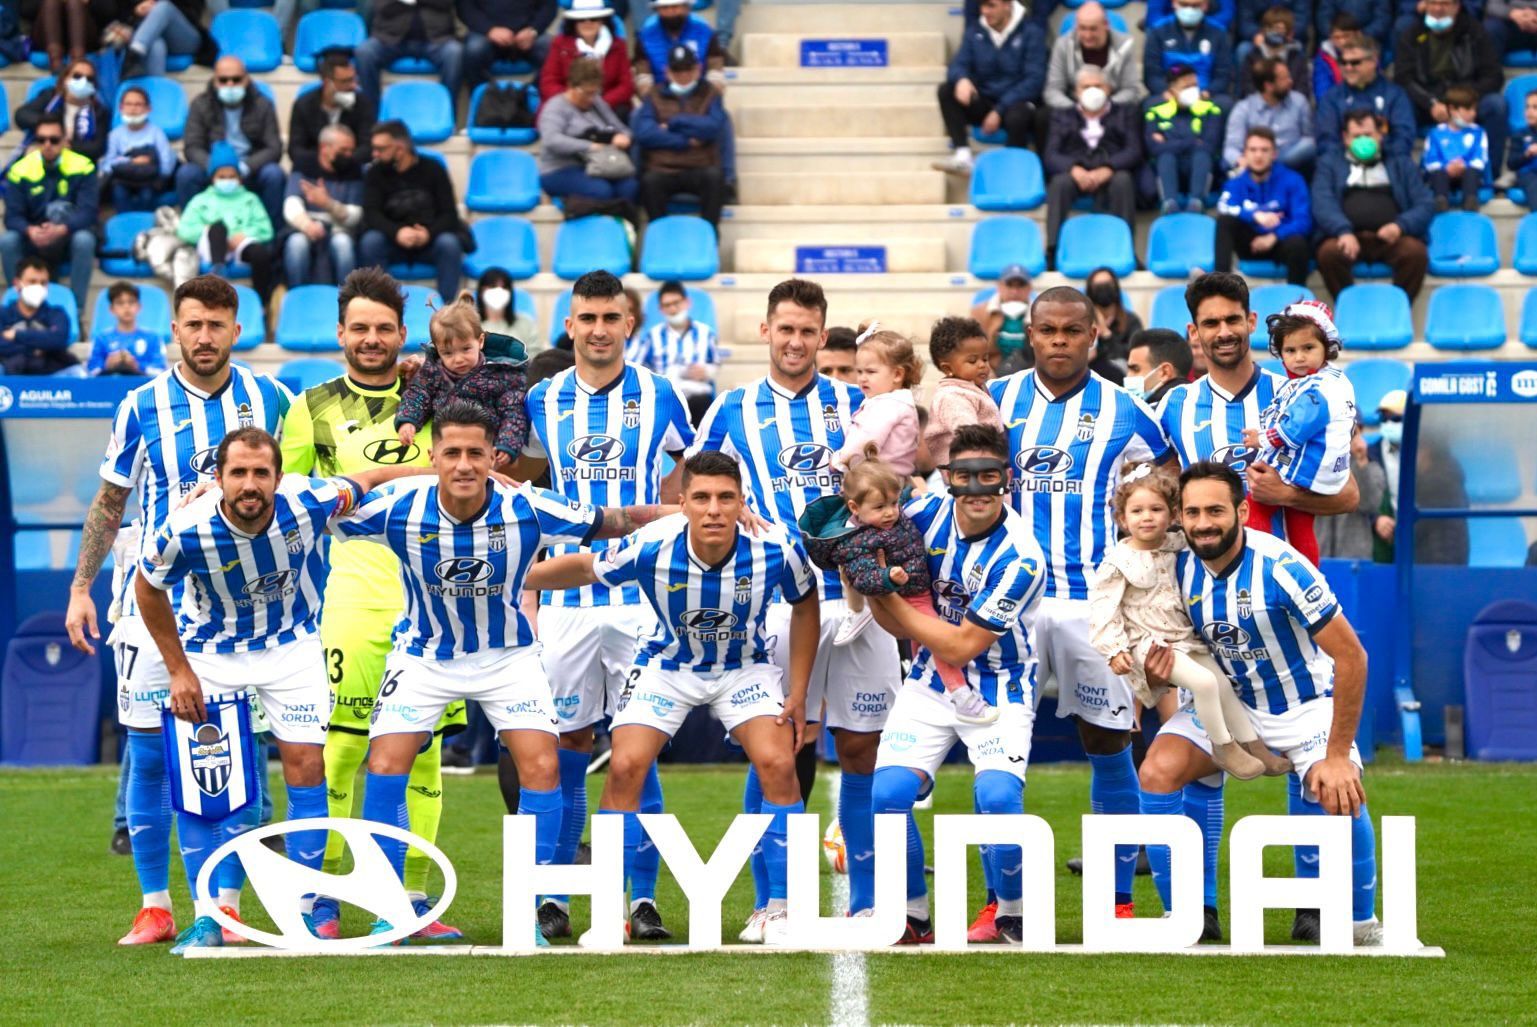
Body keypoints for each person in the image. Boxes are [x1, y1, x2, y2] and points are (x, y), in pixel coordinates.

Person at [333, 399, 676, 943]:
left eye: (476, 453)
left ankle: (529, 909)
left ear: (495, 456)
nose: (464, 464)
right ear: (434, 457)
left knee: (542, 769)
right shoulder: (399, 508)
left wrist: (683, 513)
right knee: (385, 763)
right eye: (452, 453)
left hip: (509, 658)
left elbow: (613, 521)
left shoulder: (531, 508)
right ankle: (388, 909)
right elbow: (310, 506)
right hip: (425, 656)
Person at [67, 275, 292, 947]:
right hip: (151, 596)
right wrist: (81, 586)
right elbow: (111, 501)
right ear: (175, 329)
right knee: (147, 752)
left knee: (239, 755)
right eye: (192, 324)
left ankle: (227, 904)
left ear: (236, 327)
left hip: (240, 604)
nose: (203, 336)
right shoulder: (141, 404)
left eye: (215, 324)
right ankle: (155, 903)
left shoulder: (271, 399)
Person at [133, 429, 420, 951]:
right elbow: (147, 588)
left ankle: (303, 910)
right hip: (212, 653)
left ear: (278, 477)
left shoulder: (309, 501)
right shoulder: (186, 528)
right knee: (207, 788)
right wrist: (178, 670)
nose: (249, 484)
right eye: (238, 473)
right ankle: (212, 915)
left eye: (260, 473)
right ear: (217, 478)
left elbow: (375, 475)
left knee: (308, 768)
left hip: (292, 648)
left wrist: (454, 475)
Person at [525, 451, 818, 945]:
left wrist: (801, 690)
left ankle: (781, 909)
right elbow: (587, 567)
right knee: (624, 766)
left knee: (778, 763)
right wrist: (513, 574)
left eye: (726, 498)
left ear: (741, 501)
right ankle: (611, 911)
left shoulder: (777, 546)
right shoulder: (651, 544)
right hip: (666, 667)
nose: (714, 510)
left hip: (742, 668)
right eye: (701, 497)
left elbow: (805, 603)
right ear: (681, 503)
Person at [1155, 272, 1363, 938]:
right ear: (1193, 333)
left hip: (1285, 593)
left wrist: (1283, 494)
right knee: (1204, 746)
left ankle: (1317, 902)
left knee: (1303, 743)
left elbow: (1348, 496)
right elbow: (1160, 496)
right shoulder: (1174, 408)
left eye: (1232, 320)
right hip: (1206, 601)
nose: (1221, 332)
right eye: (1208, 323)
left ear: (1251, 324)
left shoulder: (1294, 386)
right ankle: (1197, 909)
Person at [692, 278, 900, 931]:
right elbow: (696, 489)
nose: (794, 341)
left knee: (864, 748)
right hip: (775, 602)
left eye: (807, 330)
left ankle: (870, 897)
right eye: (784, 328)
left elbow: (894, 481)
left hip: (859, 596)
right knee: (778, 749)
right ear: (764, 330)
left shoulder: (856, 404)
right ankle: (772, 899)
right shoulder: (729, 407)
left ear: (822, 333)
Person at [278, 267, 465, 942]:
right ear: (339, 333)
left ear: (402, 333)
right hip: (351, 598)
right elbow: (289, 503)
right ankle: (322, 893)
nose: (371, 338)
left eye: (383, 327)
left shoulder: (438, 397)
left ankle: (408, 895)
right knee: (338, 753)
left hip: (433, 603)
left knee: (423, 756)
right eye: (359, 327)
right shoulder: (311, 407)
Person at [515, 268, 695, 942]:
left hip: (641, 601)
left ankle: (640, 900)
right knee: (563, 746)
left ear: (627, 323)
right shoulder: (542, 398)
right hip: (565, 600)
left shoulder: (661, 394)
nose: (597, 329)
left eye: (609, 317)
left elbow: (681, 480)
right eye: (585, 317)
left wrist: (659, 528)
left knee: (634, 748)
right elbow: (527, 482)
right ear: (569, 323)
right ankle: (553, 895)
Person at [1140, 461, 1383, 947]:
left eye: (1215, 510)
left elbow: (1352, 656)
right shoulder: (1175, 565)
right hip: (1227, 705)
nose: (1203, 522)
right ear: (1179, 518)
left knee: (1336, 789)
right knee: (1157, 771)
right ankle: (1191, 913)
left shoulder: (1282, 566)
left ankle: (1355, 918)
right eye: (1192, 512)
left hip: (1304, 707)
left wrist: (1337, 755)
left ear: (1242, 510)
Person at [990, 286, 1174, 922]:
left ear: (1094, 336)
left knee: (1108, 740)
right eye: (1049, 330)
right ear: (1031, 335)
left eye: (1073, 330)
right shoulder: (998, 400)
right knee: (996, 748)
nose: (1060, 340)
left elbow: (1165, 480)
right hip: (1005, 601)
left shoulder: (1125, 410)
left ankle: (1116, 900)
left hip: (1091, 604)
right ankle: (1000, 903)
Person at [864, 424, 1048, 945]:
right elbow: (885, 605)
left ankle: (1009, 912)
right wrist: (867, 574)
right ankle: (912, 916)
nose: (977, 491)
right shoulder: (921, 518)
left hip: (999, 685)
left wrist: (886, 594)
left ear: (1007, 480)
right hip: (926, 681)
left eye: (989, 477)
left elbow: (962, 646)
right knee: (889, 793)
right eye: (964, 478)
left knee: (996, 798)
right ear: (946, 479)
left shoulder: (1021, 557)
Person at [1090, 464, 1290, 779]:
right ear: (1121, 518)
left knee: (1222, 682)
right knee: (1205, 683)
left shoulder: (1176, 544)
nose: (1147, 517)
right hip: (1148, 642)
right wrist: (1113, 650)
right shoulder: (1118, 561)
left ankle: (1255, 747)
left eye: (1156, 509)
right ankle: (1224, 747)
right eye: (1137, 510)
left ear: (1172, 516)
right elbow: (1103, 608)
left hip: (1182, 636)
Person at [1240, 302, 1358, 567]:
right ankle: (1309, 578)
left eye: (1308, 348)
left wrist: (1263, 438)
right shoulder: (1321, 382)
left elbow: (1296, 427)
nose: (1299, 357)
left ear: (1326, 348)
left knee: (1256, 502)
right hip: (1311, 473)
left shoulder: (1318, 386)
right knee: (1301, 525)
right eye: (1290, 350)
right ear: (1281, 354)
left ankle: (1261, 568)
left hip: (1301, 469)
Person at [395, 292, 529, 468]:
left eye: (466, 349)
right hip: (446, 448)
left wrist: (507, 445)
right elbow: (417, 395)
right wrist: (407, 421)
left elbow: (513, 413)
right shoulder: (432, 372)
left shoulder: (503, 375)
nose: (458, 359)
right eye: (448, 353)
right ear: (437, 349)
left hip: (484, 452)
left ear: (480, 341)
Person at [1312, 109, 1435, 301]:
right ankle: (1350, 308)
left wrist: (1400, 226)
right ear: (1345, 138)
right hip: (1347, 237)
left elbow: (1425, 203)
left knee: (1416, 253)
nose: (1363, 141)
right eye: (1356, 136)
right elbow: (1322, 201)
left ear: (1380, 135)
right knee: (1328, 254)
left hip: (1391, 238)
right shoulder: (1330, 164)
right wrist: (1342, 230)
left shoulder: (1400, 163)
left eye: (1368, 135)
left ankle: (1397, 310)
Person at [1394, 0, 1507, 183]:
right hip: (1428, 103)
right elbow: (1403, 78)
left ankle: (1490, 176)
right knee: (1401, 105)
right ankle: (1406, 177)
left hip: (1466, 101)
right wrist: (1430, 102)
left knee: (1496, 105)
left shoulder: (1474, 31)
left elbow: (1493, 76)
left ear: (1457, 7)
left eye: (1445, 3)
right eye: (1433, 3)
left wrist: (1461, 103)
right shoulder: (1411, 33)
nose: (1438, 9)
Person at [359, 120, 469, 305]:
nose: (374, 154)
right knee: (371, 242)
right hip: (392, 241)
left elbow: (449, 215)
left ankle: (447, 309)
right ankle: (381, 304)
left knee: (449, 244)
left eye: (380, 149)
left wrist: (428, 233)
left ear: (400, 149)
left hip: (429, 241)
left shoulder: (434, 169)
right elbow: (371, 215)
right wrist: (397, 232)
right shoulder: (374, 173)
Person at [932, 0, 1047, 172]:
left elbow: (1034, 80)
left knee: (1019, 116)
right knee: (947, 90)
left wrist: (999, 110)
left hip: (1016, 103)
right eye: (982, 6)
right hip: (985, 101)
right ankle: (962, 155)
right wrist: (962, 79)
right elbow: (957, 65)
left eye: (991, 5)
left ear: (1007, 5)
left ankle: (1014, 168)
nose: (985, 11)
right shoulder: (974, 32)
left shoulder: (1031, 33)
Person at [1043, 66, 1141, 268]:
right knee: (1058, 184)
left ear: (1109, 89)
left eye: (1098, 85)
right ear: (1076, 92)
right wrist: (1073, 169)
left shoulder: (1125, 113)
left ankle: (1127, 248)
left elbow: (1134, 150)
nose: (1092, 90)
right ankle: (1053, 251)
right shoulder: (1062, 115)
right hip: (1075, 171)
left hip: (1110, 170)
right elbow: (1051, 154)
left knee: (1123, 181)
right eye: (1086, 86)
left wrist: (1109, 168)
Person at [2, 112, 98, 318]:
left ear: (65, 141)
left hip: (67, 235)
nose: (47, 144)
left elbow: (88, 212)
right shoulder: (20, 169)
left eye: (54, 140)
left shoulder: (83, 166)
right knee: (9, 240)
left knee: (85, 240)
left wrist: (62, 229)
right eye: (41, 140)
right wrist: (30, 230)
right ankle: (17, 307)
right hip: (33, 238)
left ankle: (76, 312)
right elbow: (12, 217)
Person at [176, 57, 287, 228]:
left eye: (236, 79)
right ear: (214, 81)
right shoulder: (200, 104)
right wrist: (216, 167)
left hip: (249, 170)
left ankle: (273, 238)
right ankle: (191, 232)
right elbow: (192, 146)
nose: (230, 85)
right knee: (186, 174)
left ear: (247, 79)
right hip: (213, 170)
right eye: (223, 80)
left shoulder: (263, 104)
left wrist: (246, 166)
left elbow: (274, 148)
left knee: (274, 174)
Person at [632, 45, 728, 227]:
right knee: (649, 182)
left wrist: (675, 122)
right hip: (663, 168)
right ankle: (659, 240)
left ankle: (710, 237)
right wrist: (684, 141)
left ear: (698, 69)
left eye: (688, 70)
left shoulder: (710, 93)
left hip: (700, 166)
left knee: (715, 178)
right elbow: (645, 133)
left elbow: (713, 127)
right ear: (667, 71)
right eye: (677, 71)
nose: (683, 76)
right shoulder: (653, 95)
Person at [178, 142, 278, 309]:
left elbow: (266, 230)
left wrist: (244, 235)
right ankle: (218, 277)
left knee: (260, 253)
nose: (227, 181)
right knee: (218, 228)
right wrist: (207, 231)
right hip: (211, 247)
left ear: (239, 177)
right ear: (213, 178)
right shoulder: (201, 200)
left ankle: (262, 303)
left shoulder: (250, 199)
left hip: (240, 246)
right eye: (222, 177)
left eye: (231, 176)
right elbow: (184, 230)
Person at [1215, 127, 1313, 286]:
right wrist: (1254, 215)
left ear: (1274, 154)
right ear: (1245, 153)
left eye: (1264, 150)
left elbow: (1303, 221)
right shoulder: (1235, 183)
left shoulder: (1293, 180)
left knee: (1298, 244)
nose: (1258, 155)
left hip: (1281, 244)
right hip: (1249, 244)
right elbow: (1223, 207)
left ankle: (1297, 303)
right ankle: (1219, 287)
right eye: (1253, 150)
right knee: (1225, 221)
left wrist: (1274, 236)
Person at [535, 58, 639, 208]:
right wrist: (590, 146)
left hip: (598, 164)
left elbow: (621, 128)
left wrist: (623, 137)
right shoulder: (555, 107)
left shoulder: (597, 103)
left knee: (629, 186)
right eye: (587, 93)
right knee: (601, 191)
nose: (591, 98)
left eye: (595, 92)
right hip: (559, 168)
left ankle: (622, 228)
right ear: (572, 86)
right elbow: (552, 140)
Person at [282, 124, 364, 288]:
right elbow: (291, 204)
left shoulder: (354, 168)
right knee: (296, 244)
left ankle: (347, 299)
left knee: (343, 246)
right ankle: (297, 298)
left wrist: (328, 204)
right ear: (324, 148)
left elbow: (356, 215)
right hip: (305, 227)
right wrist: (307, 225)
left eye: (351, 151)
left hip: (338, 229)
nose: (348, 155)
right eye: (343, 150)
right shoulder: (304, 164)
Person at [631, 280, 720, 425]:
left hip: (697, 398)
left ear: (687, 303)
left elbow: (715, 364)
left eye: (676, 303)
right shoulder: (652, 336)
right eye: (667, 305)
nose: (673, 309)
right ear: (661, 309)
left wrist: (706, 372)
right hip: (666, 398)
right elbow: (640, 368)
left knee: (703, 405)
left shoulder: (706, 333)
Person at [1315, 35, 1417, 158]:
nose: (1348, 68)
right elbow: (1326, 140)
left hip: (1387, 162)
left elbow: (1404, 138)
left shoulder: (1395, 95)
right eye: (1343, 62)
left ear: (1373, 62)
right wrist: (1353, 156)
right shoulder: (1332, 97)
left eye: (1355, 62)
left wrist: (1376, 153)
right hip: (1342, 165)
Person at [924, 315, 1004, 469]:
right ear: (948, 368)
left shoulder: (973, 387)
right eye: (972, 361)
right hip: (967, 473)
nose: (982, 365)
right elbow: (969, 435)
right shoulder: (953, 396)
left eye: (985, 359)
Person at [287, 51, 377, 180]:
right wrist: (323, 158)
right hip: (313, 169)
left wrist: (340, 158)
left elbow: (367, 147)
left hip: (351, 169)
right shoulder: (304, 105)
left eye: (353, 79)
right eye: (345, 81)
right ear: (327, 83)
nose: (353, 86)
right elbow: (295, 150)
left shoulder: (362, 103)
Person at [1043, 1, 1145, 114]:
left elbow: (1132, 89)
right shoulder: (1063, 45)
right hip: (1073, 106)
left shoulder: (1124, 45)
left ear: (1106, 25)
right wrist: (1077, 109)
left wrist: (1106, 107)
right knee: (1043, 116)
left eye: (1093, 29)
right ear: (1076, 26)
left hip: (1112, 106)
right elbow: (1053, 90)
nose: (1088, 35)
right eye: (1083, 28)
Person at [1146, 64, 1222, 214]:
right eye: (1186, 87)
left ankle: (1196, 202)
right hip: (1171, 168)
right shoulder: (1155, 112)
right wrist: (1193, 141)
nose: (1192, 90)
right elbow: (1154, 149)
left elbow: (1210, 145)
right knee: (1166, 157)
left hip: (1199, 168)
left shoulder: (1211, 109)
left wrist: (1170, 142)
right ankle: (1169, 203)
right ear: (1172, 91)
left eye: (1194, 85)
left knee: (1201, 156)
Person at [354, 0, 464, 104]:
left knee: (454, 53)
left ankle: (447, 111)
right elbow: (383, 6)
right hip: (389, 38)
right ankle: (370, 115)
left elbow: (445, 3)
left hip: (436, 39)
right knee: (365, 52)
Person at [540, 0, 636, 112]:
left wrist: (601, 103)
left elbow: (626, 85)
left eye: (594, 19)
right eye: (581, 19)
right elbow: (548, 82)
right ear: (574, 23)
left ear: (602, 21)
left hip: (607, 107)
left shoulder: (618, 45)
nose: (588, 23)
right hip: (568, 107)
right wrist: (573, 100)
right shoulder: (560, 44)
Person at [1224, 58, 1315, 172]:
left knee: (1309, 145)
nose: (1290, 81)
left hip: (1290, 161)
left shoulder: (1299, 102)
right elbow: (1231, 148)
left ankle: (1271, 170)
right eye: (1284, 78)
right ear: (1268, 86)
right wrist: (1241, 160)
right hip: (1255, 162)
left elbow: (1308, 138)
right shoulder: (1243, 109)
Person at [14, 58, 111, 162]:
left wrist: (67, 145)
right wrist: (51, 125)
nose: (83, 81)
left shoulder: (99, 111)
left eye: (89, 79)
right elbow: (21, 115)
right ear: (66, 79)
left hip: (77, 160)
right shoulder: (50, 97)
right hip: (44, 150)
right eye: (77, 76)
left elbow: (97, 148)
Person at [1145, 0, 1235, 111]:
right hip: (1170, 94)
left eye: (1196, 6)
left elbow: (1223, 74)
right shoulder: (1157, 31)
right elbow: (1152, 74)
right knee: (1150, 104)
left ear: (1205, 5)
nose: (1190, 10)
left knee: (1225, 104)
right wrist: (1167, 92)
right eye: (1184, 4)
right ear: (1174, 3)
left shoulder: (1219, 33)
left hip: (1205, 95)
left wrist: (1207, 93)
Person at [1317, 425, 1389, 559]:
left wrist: (1362, 461)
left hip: (1354, 558)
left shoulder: (1371, 467)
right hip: (1320, 553)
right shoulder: (1319, 461)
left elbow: (1370, 504)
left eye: (1352, 432)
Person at [102, 85, 177, 213]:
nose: (133, 109)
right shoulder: (115, 135)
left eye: (138, 105)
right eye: (128, 104)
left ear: (148, 109)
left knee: (147, 194)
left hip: (148, 181)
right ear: (121, 108)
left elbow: (166, 164)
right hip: (122, 180)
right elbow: (107, 165)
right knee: (118, 193)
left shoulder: (156, 133)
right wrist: (132, 162)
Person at [634, 0, 726, 99]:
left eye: (675, 7)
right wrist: (654, 102)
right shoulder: (645, 36)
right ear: (657, 10)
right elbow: (643, 76)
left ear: (687, 8)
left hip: (700, 99)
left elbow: (715, 71)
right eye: (665, 8)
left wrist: (708, 99)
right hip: (660, 100)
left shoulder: (705, 32)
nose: (670, 12)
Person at [0, 257, 77, 375]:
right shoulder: (3, 314)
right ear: (17, 284)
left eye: (43, 283)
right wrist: (38, 347)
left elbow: (58, 340)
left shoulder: (57, 314)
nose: (38, 287)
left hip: (51, 372)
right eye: (32, 281)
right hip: (10, 372)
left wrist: (16, 335)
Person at [461, 0, 556, 90]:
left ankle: (531, 96)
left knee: (554, 51)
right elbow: (465, 7)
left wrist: (534, 30)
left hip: (528, 33)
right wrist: (489, 30)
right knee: (474, 50)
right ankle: (485, 98)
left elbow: (549, 7)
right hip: (486, 34)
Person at [1422, 85, 1490, 210]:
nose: (1473, 113)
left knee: (1472, 173)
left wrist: (1464, 166)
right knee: (1438, 174)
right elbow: (1430, 159)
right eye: (1468, 109)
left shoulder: (1479, 132)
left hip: (1468, 172)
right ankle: (1440, 202)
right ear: (1452, 109)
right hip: (1444, 173)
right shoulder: (1436, 133)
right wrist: (1446, 168)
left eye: (1475, 109)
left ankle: (1470, 202)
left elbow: (1480, 157)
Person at [88, 281, 167, 377]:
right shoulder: (101, 338)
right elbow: (90, 372)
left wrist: (137, 366)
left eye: (131, 302)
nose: (126, 307)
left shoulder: (153, 338)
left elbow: (161, 371)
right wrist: (107, 366)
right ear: (112, 309)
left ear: (139, 307)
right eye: (120, 303)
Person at [1236, 5, 1310, 99]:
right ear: (1264, 30)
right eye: (1274, 29)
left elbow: (1302, 91)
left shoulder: (1298, 59)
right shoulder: (1253, 57)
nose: (1277, 33)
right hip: (1258, 107)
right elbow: (1248, 88)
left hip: (1289, 107)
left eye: (1281, 30)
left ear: (1290, 34)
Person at [122, 0, 210, 77]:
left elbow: (193, 13)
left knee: (164, 6)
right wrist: (136, 11)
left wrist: (155, 8)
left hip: (186, 37)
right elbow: (120, 14)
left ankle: (133, 53)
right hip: (149, 37)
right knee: (156, 44)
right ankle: (156, 91)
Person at [971, 263, 1033, 372]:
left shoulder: (1040, 315)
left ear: (1029, 288)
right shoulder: (980, 313)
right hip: (991, 374)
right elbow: (973, 354)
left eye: (1020, 285)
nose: (1015, 291)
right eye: (1009, 285)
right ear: (999, 287)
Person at [24, 0, 116, 72]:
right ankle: (56, 65)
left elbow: (109, 11)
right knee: (52, 3)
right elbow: (26, 10)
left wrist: (90, 2)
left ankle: (77, 63)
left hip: (84, 36)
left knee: (74, 3)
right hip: (46, 35)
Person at [1086, 266, 1141, 375]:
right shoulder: (1083, 322)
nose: (1103, 289)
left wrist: (1107, 334)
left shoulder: (1131, 321)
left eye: (1107, 284)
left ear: (1115, 287)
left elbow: (1134, 357)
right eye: (1098, 286)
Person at [476, 267, 543, 351]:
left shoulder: (525, 322)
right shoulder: (470, 324)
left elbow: (536, 353)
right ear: (481, 291)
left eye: (504, 287)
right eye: (493, 286)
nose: (498, 291)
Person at [1123, 327, 1193, 406]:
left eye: (1136, 369)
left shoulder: (1153, 414)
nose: (1128, 376)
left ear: (1165, 372)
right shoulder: (1196, 404)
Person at [1312, 15, 1361, 100]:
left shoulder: (1367, 55)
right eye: (1337, 37)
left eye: (1346, 36)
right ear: (1330, 37)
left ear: (1357, 34)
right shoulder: (1323, 59)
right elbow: (1323, 95)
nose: (1342, 41)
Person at [1317, 0, 1394, 51]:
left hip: (1367, 41)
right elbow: (1324, 18)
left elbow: (1382, 19)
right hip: (1335, 39)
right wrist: (1335, 35)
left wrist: (1362, 35)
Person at [1506, 88, 1537, 208]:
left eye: (1535, 107)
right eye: (1527, 107)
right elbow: (1511, 163)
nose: (1529, 111)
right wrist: (1527, 154)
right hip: (1528, 175)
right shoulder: (1519, 134)